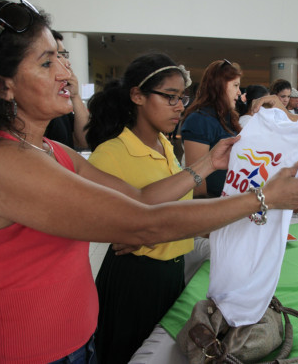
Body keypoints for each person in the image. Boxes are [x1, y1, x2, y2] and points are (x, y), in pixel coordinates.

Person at [0, 0, 298, 364]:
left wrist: (210, 163)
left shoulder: (52, 152)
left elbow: (143, 199)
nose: (66, 75)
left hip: (77, 342)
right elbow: (144, 223)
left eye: (61, 56)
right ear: (1, 84)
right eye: (45, 64)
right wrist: (262, 199)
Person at [84, 53, 232, 362]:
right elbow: (120, 213)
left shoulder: (165, 145)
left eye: (182, 98)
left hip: (171, 272)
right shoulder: (111, 153)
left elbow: (169, 212)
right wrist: (138, 228)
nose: (179, 106)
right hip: (135, 279)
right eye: (169, 97)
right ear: (137, 95)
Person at [181, 59, 243, 197]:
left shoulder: (229, 118)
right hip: (213, 206)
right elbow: (197, 178)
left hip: (232, 203)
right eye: (235, 85)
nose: (239, 92)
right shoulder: (199, 120)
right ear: (219, 86)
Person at [44, 30, 90, 149]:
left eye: (64, 55)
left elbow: (84, 141)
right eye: (61, 55)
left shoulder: (62, 104)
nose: (67, 62)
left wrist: (75, 96)